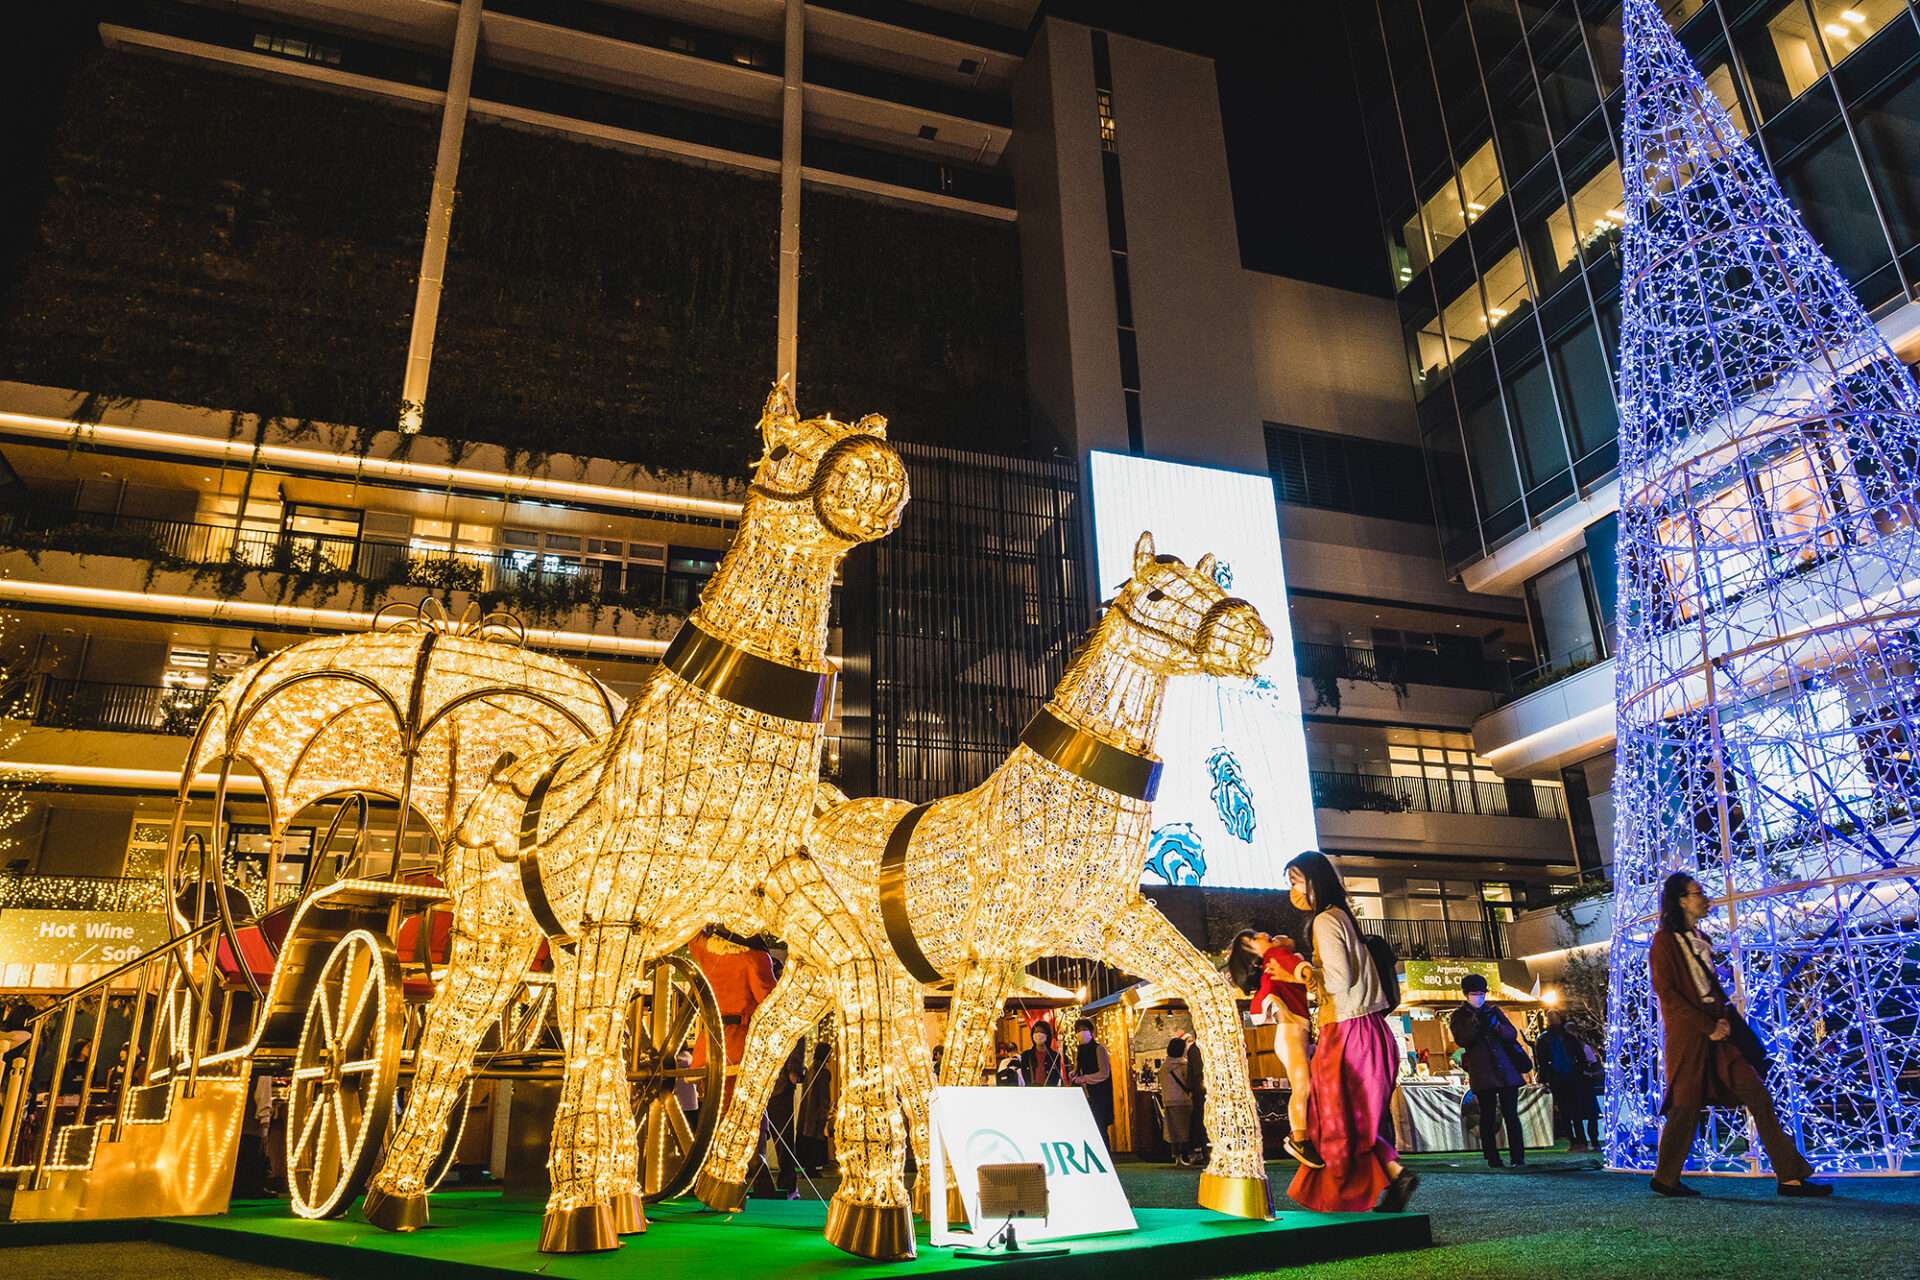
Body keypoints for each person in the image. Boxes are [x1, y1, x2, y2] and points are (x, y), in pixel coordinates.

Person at [1649, 872, 1830, 1199]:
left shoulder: (1699, 937)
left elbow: (1707, 986)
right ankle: (1666, 1177)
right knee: (1685, 1105)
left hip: (1719, 1029)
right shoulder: (1664, 941)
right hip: (1692, 1033)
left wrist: (1723, 1019)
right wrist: (1707, 1026)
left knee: (1758, 1095)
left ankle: (1790, 1176)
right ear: (1680, 900)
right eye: (1697, 893)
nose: (1705, 898)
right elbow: (1668, 992)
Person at [1285, 850, 1418, 1215]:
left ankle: (1354, 1191)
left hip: (1346, 1029)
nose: (1292, 890)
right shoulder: (1342, 917)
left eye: (1295, 880)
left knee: (1334, 1118)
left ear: (1314, 881)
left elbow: (1339, 980)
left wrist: (1300, 973)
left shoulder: (1325, 922)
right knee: (1349, 1119)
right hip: (1366, 1029)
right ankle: (1395, 1175)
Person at [1229, 929, 1320, 1168]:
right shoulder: (1274, 955)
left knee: (1305, 1085)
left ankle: (1303, 1134)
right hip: (1291, 1030)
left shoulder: (1274, 955)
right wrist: (1306, 972)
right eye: (1255, 938)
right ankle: (1299, 1137)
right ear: (1252, 951)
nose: (1262, 934)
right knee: (1303, 1086)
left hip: (1292, 1030)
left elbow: (1292, 954)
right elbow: (1297, 966)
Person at [1449, 973, 1531, 1169]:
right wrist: (1476, 1025)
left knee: (1511, 1114)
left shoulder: (1494, 1011)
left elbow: (1511, 1033)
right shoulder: (1459, 1016)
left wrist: (1495, 1026)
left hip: (1505, 1070)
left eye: (1481, 993)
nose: (1479, 997)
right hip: (1483, 1072)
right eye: (1474, 993)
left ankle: (1518, 1157)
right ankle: (1492, 1156)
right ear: (1466, 994)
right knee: (1487, 1114)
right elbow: (1462, 1039)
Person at [1534, 1010, 1601, 1152]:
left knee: (1573, 1111)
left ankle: (1579, 1141)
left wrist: (1580, 1069)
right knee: (1567, 1112)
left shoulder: (1560, 1038)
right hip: (1562, 1077)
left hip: (1569, 1076)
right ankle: (1576, 1140)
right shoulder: (1550, 1039)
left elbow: (1579, 1056)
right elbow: (1542, 1061)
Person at [1069, 1024, 1114, 1149]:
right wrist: (1074, 1072)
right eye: (1078, 1030)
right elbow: (1080, 1068)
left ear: (1091, 1031)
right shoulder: (1080, 1050)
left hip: (1098, 1094)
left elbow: (1104, 1073)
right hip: (1083, 1094)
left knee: (1100, 1126)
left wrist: (1084, 1079)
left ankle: (1105, 1155)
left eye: (1084, 1029)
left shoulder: (1099, 1049)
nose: (1081, 1033)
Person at [1157, 1038, 1198, 1167]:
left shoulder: (1164, 1067)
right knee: (1186, 1129)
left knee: (1173, 1130)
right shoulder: (1183, 1065)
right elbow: (1189, 1083)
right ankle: (1191, 1155)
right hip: (1183, 1101)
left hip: (1168, 1101)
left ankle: (1177, 1156)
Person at [1019, 1020, 1065, 1087]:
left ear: (1047, 1035)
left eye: (1042, 1032)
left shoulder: (1055, 1056)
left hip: (1049, 1091)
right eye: (1036, 1032)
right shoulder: (1026, 1055)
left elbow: (1056, 1076)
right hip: (1031, 1090)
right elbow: (1024, 1074)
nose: (1039, 1034)